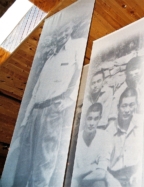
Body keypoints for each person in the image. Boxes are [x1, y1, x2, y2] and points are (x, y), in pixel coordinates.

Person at [12, 21, 86, 187]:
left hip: (52, 111)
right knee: (23, 163)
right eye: (58, 33)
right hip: (34, 113)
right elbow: (34, 93)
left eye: (64, 31)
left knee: (44, 162)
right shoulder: (49, 59)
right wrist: (24, 121)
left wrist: (67, 101)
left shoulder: (77, 47)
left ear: (69, 30)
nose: (61, 35)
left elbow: (77, 76)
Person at [106, 88, 143, 187]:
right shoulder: (109, 132)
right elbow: (101, 166)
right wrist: (111, 181)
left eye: (131, 105)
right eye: (124, 106)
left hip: (136, 174)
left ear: (135, 105)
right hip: (115, 177)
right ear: (118, 108)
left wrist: (139, 173)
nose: (127, 110)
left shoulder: (141, 124)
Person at [71, 103, 112, 187]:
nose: (92, 123)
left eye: (96, 119)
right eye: (89, 119)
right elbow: (71, 173)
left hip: (92, 180)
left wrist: (82, 180)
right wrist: (91, 167)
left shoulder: (104, 137)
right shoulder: (76, 138)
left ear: (100, 119)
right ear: (84, 118)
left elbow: (101, 173)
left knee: (100, 184)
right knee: (73, 183)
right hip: (76, 181)